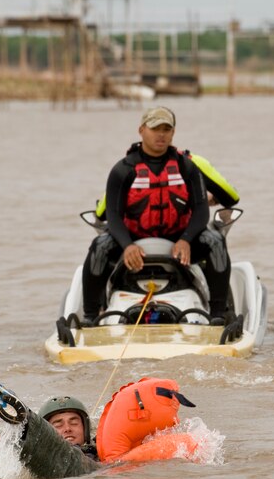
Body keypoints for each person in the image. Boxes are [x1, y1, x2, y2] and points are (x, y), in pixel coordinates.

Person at [82, 106, 239, 325]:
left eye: (167, 129)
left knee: (215, 241)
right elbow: (114, 216)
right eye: (156, 128)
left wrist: (186, 239)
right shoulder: (123, 170)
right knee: (99, 246)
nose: (161, 134)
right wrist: (127, 245)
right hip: (134, 240)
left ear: (173, 133)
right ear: (142, 130)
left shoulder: (187, 167)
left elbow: (202, 210)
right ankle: (90, 318)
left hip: (179, 240)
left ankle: (218, 316)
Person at [0, 367, 197, 479]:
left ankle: (20, 418)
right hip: (52, 459)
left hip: (91, 471)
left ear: (85, 427)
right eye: (58, 423)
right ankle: (16, 414)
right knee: (54, 452)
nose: (67, 427)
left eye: (74, 421)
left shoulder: (101, 451)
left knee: (67, 458)